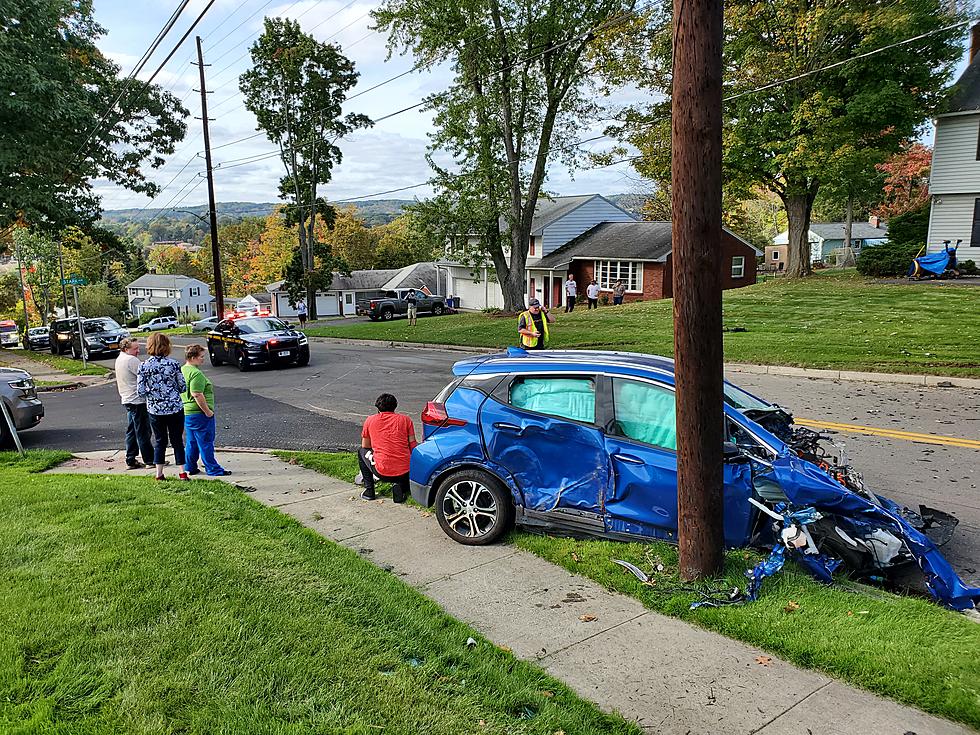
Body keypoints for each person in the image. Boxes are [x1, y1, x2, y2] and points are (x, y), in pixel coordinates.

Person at [137, 332, 188, 481]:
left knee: (160, 441)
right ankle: (182, 473)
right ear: (167, 346)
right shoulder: (173, 364)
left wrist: (153, 394)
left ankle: (159, 473)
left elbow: (140, 391)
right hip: (174, 408)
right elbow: (182, 386)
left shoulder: (143, 366)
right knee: (177, 440)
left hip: (155, 409)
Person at [181, 344, 230, 477]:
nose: (203, 359)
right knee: (206, 442)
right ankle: (213, 469)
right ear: (192, 357)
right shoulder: (195, 373)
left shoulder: (183, 370)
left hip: (188, 412)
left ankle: (189, 466)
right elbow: (197, 393)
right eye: (201, 357)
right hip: (199, 413)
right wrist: (207, 411)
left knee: (192, 442)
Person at [358, 393, 417, 503]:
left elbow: (365, 446)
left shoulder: (370, 420)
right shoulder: (406, 420)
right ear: (395, 406)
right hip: (405, 471)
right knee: (403, 468)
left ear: (378, 408)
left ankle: (369, 491)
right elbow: (412, 445)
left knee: (361, 452)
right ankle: (401, 487)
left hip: (381, 471)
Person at [115, 337, 153, 470]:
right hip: (137, 400)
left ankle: (130, 458)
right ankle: (150, 459)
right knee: (143, 431)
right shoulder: (131, 360)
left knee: (132, 430)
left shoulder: (120, 358)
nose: (138, 351)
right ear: (126, 349)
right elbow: (146, 375)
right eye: (135, 348)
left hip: (127, 399)